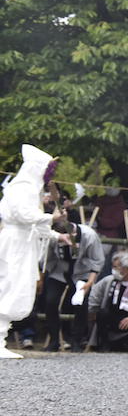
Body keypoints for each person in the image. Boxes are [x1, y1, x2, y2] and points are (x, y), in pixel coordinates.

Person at [0, 145, 64, 358]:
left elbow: (33, 225)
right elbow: (24, 215)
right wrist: (51, 217)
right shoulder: (22, 187)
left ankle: (0, 338)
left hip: (23, 242)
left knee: (15, 287)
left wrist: (57, 235)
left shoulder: (29, 188)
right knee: (9, 286)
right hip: (16, 244)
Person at [42, 215, 105, 352]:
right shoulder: (52, 237)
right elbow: (47, 258)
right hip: (59, 271)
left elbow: (97, 260)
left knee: (80, 304)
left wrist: (90, 281)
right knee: (51, 301)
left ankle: (76, 340)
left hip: (82, 272)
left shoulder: (89, 236)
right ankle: (54, 340)